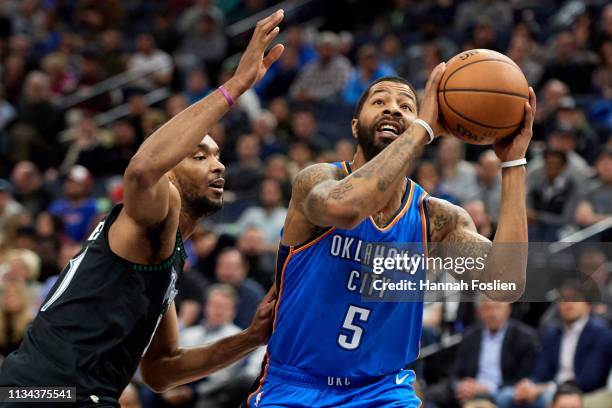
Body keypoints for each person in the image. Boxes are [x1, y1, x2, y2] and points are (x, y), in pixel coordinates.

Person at [0, 10, 286, 407]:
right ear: (169, 172)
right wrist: (234, 87)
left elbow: (161, 370)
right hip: (52, 391)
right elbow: (141, 171)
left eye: (218, 156)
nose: (218, 164)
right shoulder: (159, 203)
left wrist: (252, 337)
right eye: (198, 155)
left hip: (36, 391)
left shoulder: (165, 254)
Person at [243, 60, 535, 406]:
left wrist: (514, 163)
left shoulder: (435, 218)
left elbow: (506, 283)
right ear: (355, 126)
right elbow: (348, 209)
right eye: (380, 102)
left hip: (382, 390)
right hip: (295, 384)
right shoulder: (318, 181)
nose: (393, 109)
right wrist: (420, 126)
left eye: (407, 106)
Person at [425, 300, 538, 408]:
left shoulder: (524, 337)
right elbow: (455, 372)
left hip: (501, 390)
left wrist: (488, 388)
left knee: (505, 396)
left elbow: (524, 377)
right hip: (470, 388)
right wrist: (461, 386)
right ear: (479, 312)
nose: (492, 313)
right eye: (487, 308)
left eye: (497, 307)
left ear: (508, 309)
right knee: (429, 395)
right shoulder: (470, 335)